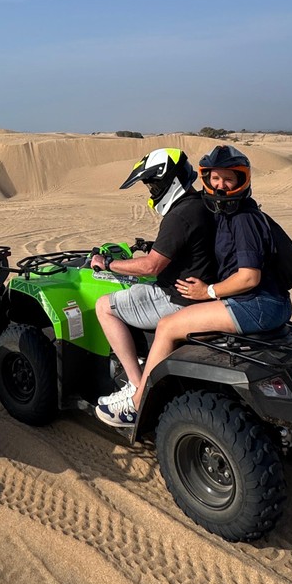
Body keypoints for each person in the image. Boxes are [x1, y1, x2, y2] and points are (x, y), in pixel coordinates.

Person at [96, 144, 292, 428]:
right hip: (262, 300)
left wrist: (208, 292)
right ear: (204, 178)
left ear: (242, 179)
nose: (221, 185)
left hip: (254, 303)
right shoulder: (218, 210)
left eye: (228, 178)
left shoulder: (241, 219)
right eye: (215, 178)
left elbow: (249, 277)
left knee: (158, 323)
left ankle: (137, 401)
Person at [90, 148, 216, 417]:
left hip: (178, 299)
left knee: (104, 306)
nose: (151, 190)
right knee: (135, 291)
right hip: (204, 294)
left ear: (170, 181)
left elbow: (150, 267)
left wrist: (108, 264)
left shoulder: (179, 215)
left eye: (154, 184)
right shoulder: (201, 203)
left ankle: (136, 389)